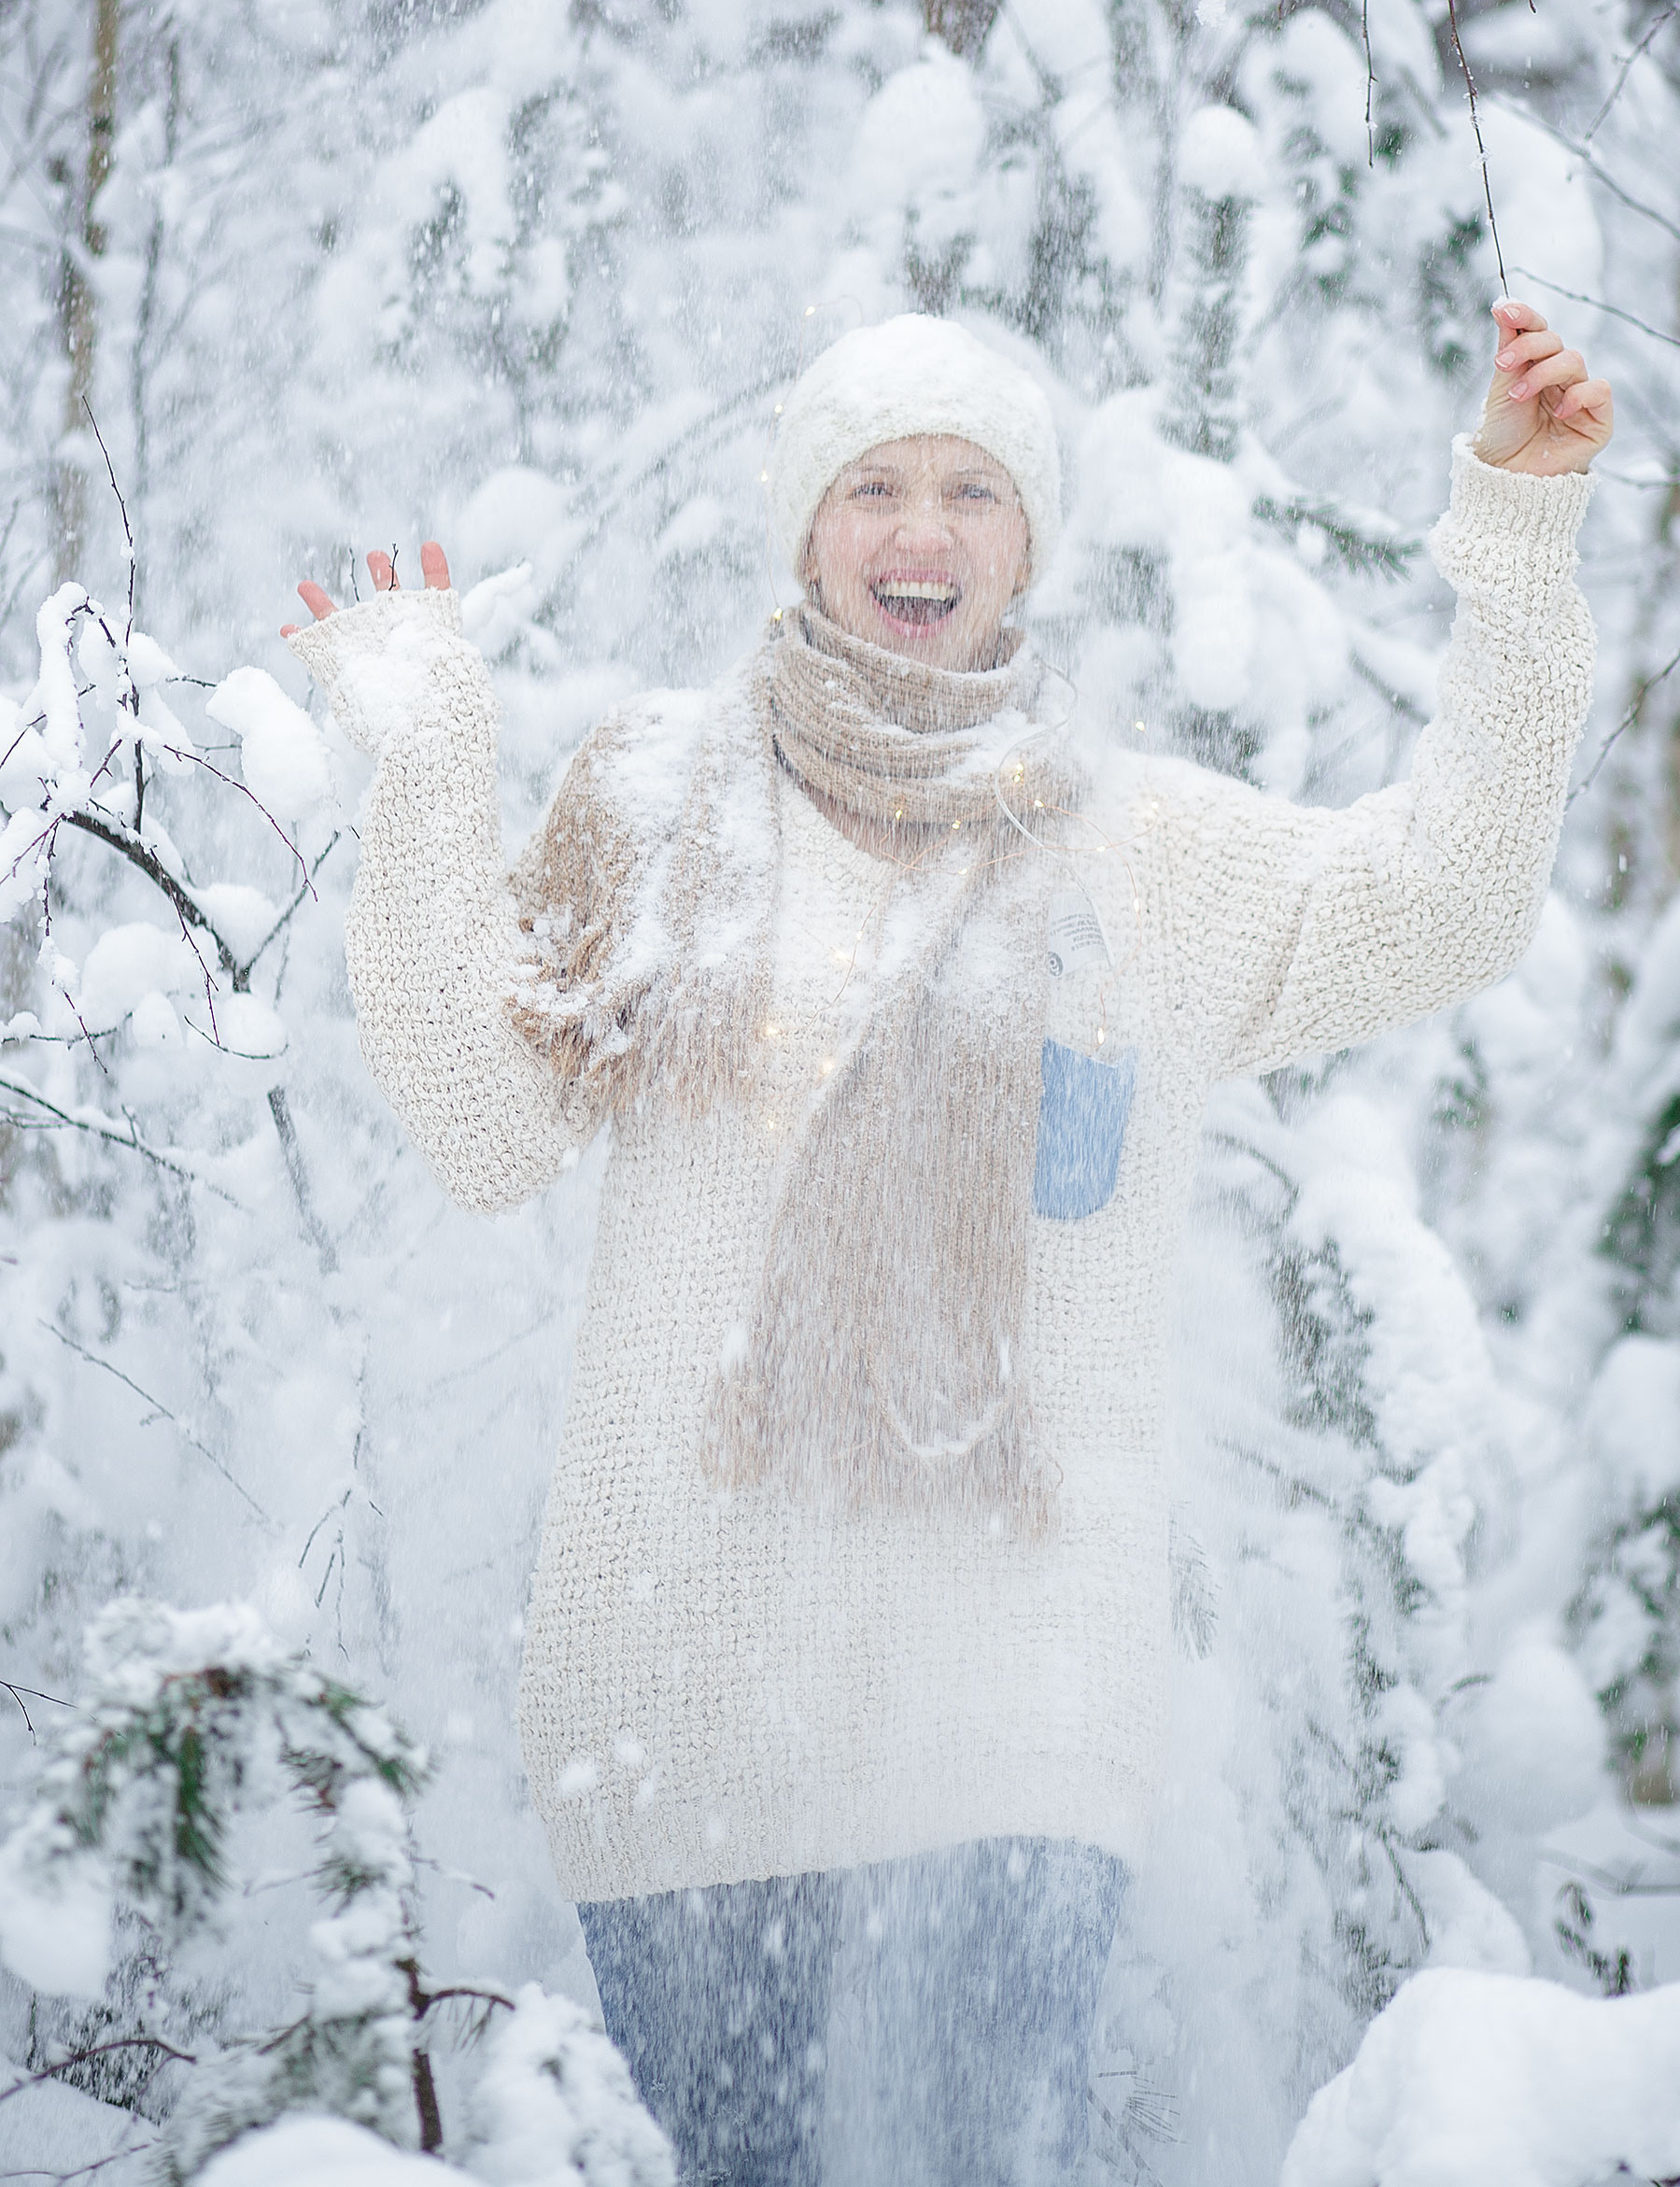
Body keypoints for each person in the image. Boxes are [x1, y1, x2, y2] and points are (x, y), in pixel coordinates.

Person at [282, 302, 1611, 2184]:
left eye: (972, 490)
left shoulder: (1147, 856)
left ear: (1031, 541)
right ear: (806, 530)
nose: (922, 530)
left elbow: (1452, 899)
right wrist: (427, 769)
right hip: (681, 1706)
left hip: (1013, 1705)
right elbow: (485, 1126)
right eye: (875, 487)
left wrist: (1522, 534)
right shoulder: (657, 801)